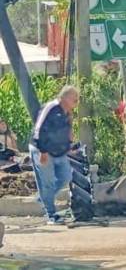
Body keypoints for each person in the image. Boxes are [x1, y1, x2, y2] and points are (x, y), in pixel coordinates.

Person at [29, 86, 79, 225]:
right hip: (42, 149)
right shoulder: (50, 107)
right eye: (74, 98)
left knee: (66, 176)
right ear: (64, 97)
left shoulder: (68, 112)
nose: (76, 101)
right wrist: (43, 151)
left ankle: (44, 198)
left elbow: (69, 130)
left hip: (59, 152)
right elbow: (39, 129)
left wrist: (69, 146)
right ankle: (51, 214)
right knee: (48, 182)